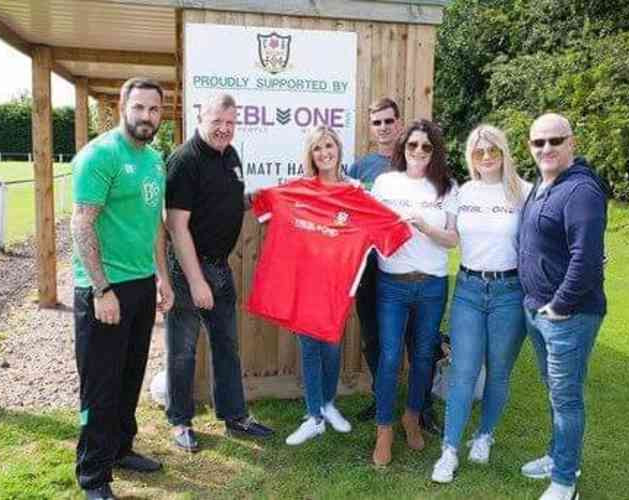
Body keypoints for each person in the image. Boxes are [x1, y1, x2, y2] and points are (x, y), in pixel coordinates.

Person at [246, 125, 411, 446]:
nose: (324, 153)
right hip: (302, 286)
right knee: (309, 348)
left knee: (332, 347)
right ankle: (314, 417)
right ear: (311, 155)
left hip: (335, 287)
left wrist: (406, 222)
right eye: (317, 149)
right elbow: (267, 205)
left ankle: (328, 402)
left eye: (328, 146)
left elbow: (390, 226)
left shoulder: (355, 194)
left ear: (338, 150)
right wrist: (259, 196)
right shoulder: (297, 189)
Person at [71, 77, 174, 500]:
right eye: (139, 108)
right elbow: (82, 223)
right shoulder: (99, 155)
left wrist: (163, 277)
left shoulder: (154, 160)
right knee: (101, 383)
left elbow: (154, 226)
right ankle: (93, 475)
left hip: (141, 285)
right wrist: (101, 289)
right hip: (104, 289)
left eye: (153, 110)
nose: (146, 116)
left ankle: (120, 449)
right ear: (122, 107)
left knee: (130, 376)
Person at [163, 93, 274, 453]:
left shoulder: (231, 155)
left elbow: (227, 201)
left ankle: (235, 415)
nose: (224, 129)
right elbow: (176, 225)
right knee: (182, 351)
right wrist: (195, 281)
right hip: (188, 270)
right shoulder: (184, 160)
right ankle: (180, 421)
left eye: (230, 123)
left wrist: (254, 198)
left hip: (220, 269)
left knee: (227, 345)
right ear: (202, 116)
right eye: (217, 122)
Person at [431, 124, 531, 483]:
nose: (486, 157)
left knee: (500, 371)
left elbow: (546, 235)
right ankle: (449, 450)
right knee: (463, 370)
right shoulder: (463, 191)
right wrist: (421, 228)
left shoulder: (524, 192)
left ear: (504, 153)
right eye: (478, 152)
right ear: (470, 157)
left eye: (493, 150)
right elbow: (450, 236)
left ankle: (485, 435)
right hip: (470, 291)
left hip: (509, 291)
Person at [518, 113, 608, 500]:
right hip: (538, 310)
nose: (546, 149)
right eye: (539, 143)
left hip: (566, 315)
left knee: (566, 397)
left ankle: (565, 480)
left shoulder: (582, 191)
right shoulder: (543, 184)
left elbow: (586, 259)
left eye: (555, 141)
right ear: (530, 146)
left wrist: (560, 306)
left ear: (572, 142)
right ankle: (557, 457)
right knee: (554, 390)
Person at [348, 98, 441, 434]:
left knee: (422, 342)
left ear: (399, 123)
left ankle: (423, 407)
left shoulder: (417, 166)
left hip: (415, 268)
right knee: (374, 340)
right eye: (377, 123)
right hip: (371, 269)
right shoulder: (360, 169)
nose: (384, 128)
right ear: (371, 129)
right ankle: (381, 398)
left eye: (389, 121)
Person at [370, 119, 460, 466]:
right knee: (390, 357)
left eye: (426, 146)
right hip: (392, 283)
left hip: (432, 284)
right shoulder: (385, 182)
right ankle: (384, 430)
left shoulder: (447, 188)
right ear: (402, 148)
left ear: (434, 150)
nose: (419, 151)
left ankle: (412, 415)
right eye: (412, 145)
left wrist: (424, 226)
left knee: (424, 356)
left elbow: (453, 240)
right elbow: (370, 226)